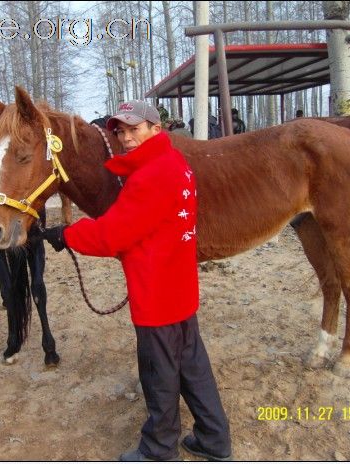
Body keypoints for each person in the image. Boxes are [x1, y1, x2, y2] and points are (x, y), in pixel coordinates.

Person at [42, 100, 232, 462]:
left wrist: (69, 235)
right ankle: (213, 438)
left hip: (156, 291)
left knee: (159, 372)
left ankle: (159, 449)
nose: (126, 138)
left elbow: (113, 234)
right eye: (121, 131)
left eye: (134, 129)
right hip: (178, 286)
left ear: (155, 129)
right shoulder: (174, 162)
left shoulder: (149, 176)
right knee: (192, 365)